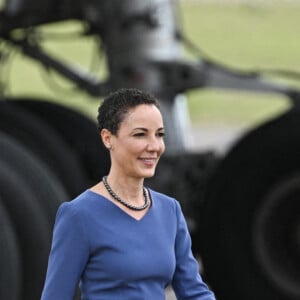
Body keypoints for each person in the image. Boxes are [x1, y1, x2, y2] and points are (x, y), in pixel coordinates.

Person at [41, 88, 216, 300]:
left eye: (159, 134)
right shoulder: (78, 215)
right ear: (108, 139)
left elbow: (193, 292)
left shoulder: (170, 210)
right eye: (140, 134)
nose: (154, 146)